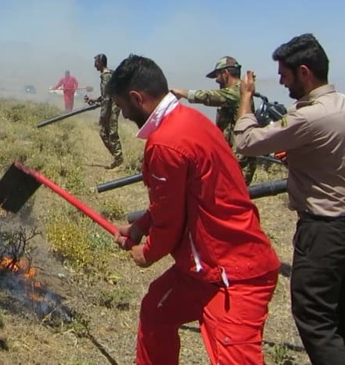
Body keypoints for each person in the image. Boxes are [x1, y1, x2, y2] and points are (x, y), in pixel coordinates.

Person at [107, 54, 281, 365]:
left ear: (137, 98)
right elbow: (174, 201)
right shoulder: (189, 120)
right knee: (156, 312)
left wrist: (147, 253)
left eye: (122, 107)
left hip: (232, 272)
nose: (122, 114)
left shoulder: (165, 143)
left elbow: (170, 222)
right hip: (203, 269)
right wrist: (139, 226)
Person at [232, 33, 345, 364]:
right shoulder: (339, 106)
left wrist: (246, 98)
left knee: (316, 320)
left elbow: (247, 141)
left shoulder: (309, 117)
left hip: (324, 231)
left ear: (305, 72)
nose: (282, 82)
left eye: (285, 74)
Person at [170, 56, 257, 185]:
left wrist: (182, 93)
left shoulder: (238, 91)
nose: (217, 80)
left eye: (217, 76)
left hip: (240, 161)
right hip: (231, 158)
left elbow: (209, 97)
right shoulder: (235, 92)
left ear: (225, 73)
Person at [84, 54, 123, 169]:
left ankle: (119, 159)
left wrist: (103, 115)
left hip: (113, 107)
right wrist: (95, 100)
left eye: (96, 62)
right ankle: (118, 157)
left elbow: (106, 98)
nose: (94, 64)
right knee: (107, 132)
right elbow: (106, 94)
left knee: (109, 132)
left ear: (100, 63)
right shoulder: (110, 73)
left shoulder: (105, 76)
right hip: (114, 105)